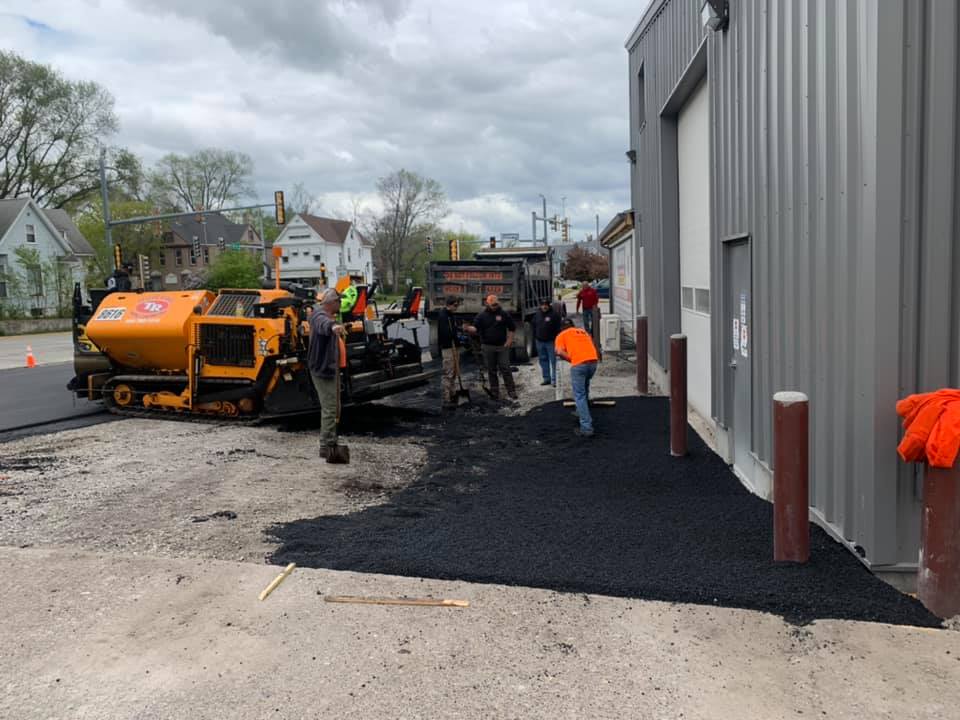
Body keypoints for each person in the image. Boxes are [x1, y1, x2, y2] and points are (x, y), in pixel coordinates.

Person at [308, 288, 346, 458]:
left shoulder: (328, 316)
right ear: (331, 303)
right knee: (330, 407)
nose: (341, 304)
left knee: (334, 406)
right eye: (339, 301)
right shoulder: (319, 315)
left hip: (330, 368)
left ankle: (331, 440)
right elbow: (323, 325)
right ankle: (327, 445)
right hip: (322, 369)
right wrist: (333, 326)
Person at [465, 294, 517, 401]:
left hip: (502, 347)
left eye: (496, 304)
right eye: (493, 305)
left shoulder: (503, 314)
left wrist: (509, 340)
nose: (495, 306)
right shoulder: (481, 316)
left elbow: (512, 328)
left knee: (505, 368)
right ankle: (494, 391)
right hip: (488, 346)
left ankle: (511, 391)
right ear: (487, 304)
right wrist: (468, 328)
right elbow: (475, 328)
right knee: (491, 370)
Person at [555, 317, 600, 437]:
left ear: (561, 328)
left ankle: (586, 428)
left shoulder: (562, 335)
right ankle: (580, 411)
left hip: (579, 365)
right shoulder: (583, 332)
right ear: (573, 325)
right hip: (593, 363)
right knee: (585, 386)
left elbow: (559, 351)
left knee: (579, 395)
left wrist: (572, 359)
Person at [436, 295, 462, 410]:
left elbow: (453, 330)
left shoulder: (451, 315)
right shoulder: (443, 316)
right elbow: (446, 333)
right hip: (448, 347)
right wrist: (454, 335)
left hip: (454, 346)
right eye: (455, 305)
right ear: (449, 304)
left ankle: (453, 394)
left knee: (455, 372)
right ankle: (446, 398)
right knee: (449, 372)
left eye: (457, 305)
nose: (456, 307)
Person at [532, 298, 561, 386]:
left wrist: (557, 340)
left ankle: (555, 380)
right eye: (542, 305)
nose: (544, 306)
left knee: (553, 361)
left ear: (549, 305)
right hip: (539, 341)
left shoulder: (554, 315)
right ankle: (546, 378)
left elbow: (559, 328)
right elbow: (533, 326)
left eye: (546, 305)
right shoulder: (537, 314)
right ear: (540, 305)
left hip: (551, 342)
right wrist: (536, 337)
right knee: (543, 360)